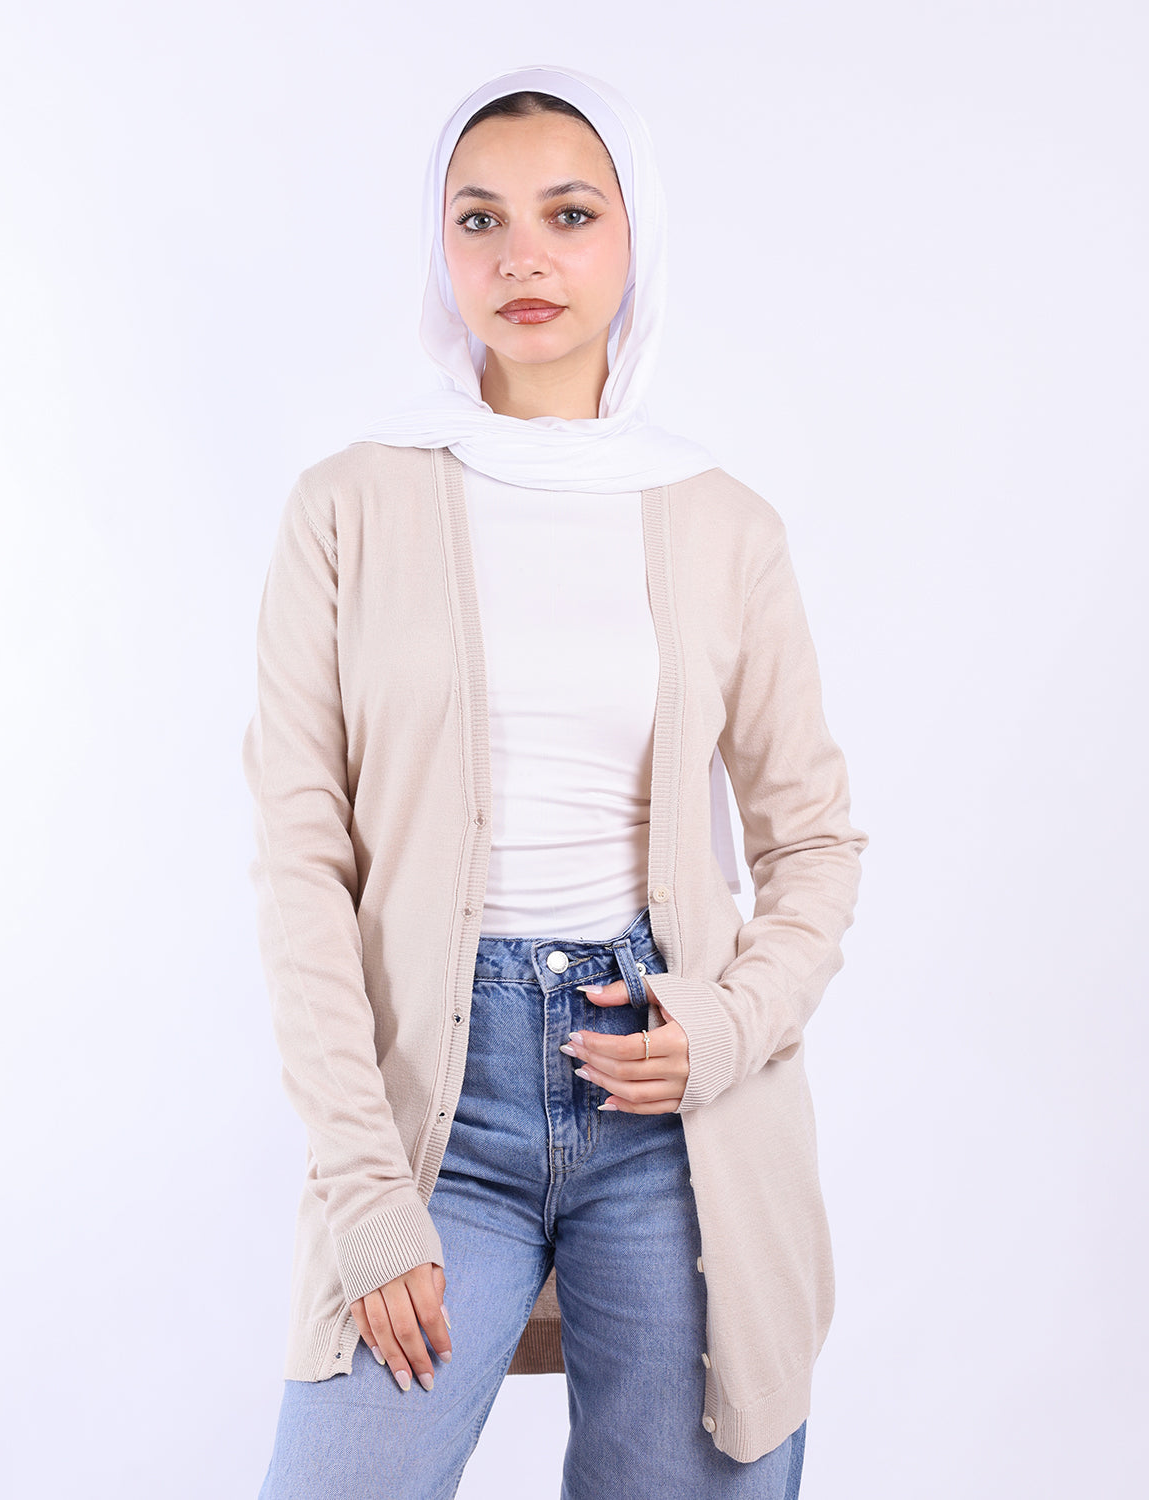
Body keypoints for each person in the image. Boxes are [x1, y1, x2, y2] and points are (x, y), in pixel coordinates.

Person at [243, 63, 868, 1500]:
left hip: (675, 1113)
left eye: (569, 213)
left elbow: (815, 842)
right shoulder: (349, 504)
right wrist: (362, 1185)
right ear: (439, 248)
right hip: (432, 1111)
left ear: (632, 236)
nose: (523, 255)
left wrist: (721, 1023)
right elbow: (299, 867)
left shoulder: (721, 523)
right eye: (480, 219)